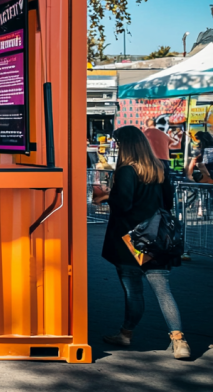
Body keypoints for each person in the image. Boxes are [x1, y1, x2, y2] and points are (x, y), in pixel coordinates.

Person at [95, 125, 189, 359]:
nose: (116, 146)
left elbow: (124, 204)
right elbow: (167, 202)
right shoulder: (159, 168)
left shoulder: (127, 170)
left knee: (134, 291)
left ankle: (126, 335)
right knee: (163, 291)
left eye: (118, 142)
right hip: (156, 238)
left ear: (126, 145)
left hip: (132, 241)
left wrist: (105, 197)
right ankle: (179, 341)